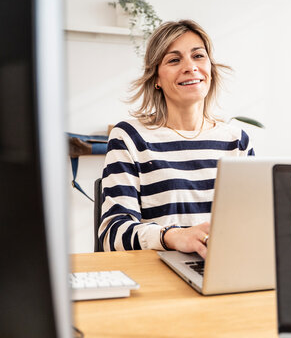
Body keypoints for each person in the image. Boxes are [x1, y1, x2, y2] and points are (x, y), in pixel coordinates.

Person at [99, 19, 254, 256]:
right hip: (156, 275)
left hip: (221, 269)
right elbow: (113, 234)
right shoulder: (129, 137)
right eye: (174, 60)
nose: (190, 67)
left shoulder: (237, 141)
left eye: (198, 56)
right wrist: (173, 237)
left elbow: (254, 226)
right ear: (157, 79)